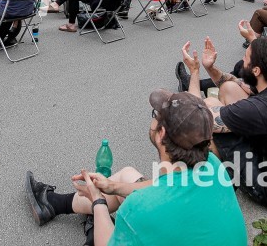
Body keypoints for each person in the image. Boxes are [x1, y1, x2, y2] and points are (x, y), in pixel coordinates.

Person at [24, 89, 248, 246]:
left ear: (161, 134)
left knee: (102, 228)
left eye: (156, 115)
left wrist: (99, 202)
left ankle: (91, 225)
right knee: (128, 175)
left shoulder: (141, 208)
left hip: (141, 220)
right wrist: (113, 187)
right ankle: (54, 204)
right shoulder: (213, 164)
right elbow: (160, 186)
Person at [179, 37, 267, 211]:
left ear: (257, 70)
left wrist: (194, 71)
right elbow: (236, 83)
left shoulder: (256, 110)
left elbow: (196, 116)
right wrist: (210, 67)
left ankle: (213, 173)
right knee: (228, 88)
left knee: (206, 114)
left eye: (246, 57)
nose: (242, 61)